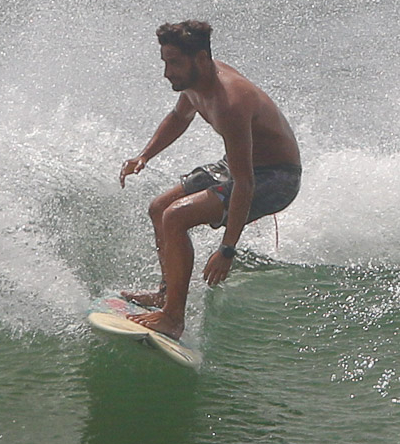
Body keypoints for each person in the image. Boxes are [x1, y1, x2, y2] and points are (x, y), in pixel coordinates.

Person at [119, 20, 301, 340]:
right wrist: (145, 155)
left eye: (174, 63)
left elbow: (245, 184)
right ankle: (165, 294)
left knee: (176, 216)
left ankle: (173, 318)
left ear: (201, 59)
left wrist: (227, 250)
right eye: (165, 62)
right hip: (239, 165)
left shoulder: (230, 102)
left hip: (276, 176)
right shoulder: (193, 81)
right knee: (159, 207)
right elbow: (179, 117)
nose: (167, 72)